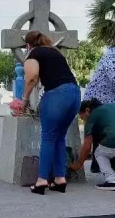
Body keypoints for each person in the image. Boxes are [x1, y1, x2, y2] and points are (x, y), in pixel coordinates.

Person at [21, 30, 81, 195]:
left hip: (57, 95)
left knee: (47, 137)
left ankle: (41, 181)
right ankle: (60, 179)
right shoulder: (55, 52)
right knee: (60, 137)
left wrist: (24, 99)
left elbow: (32, 77)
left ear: (28, 45)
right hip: (75, 94)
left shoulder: (33, 54)